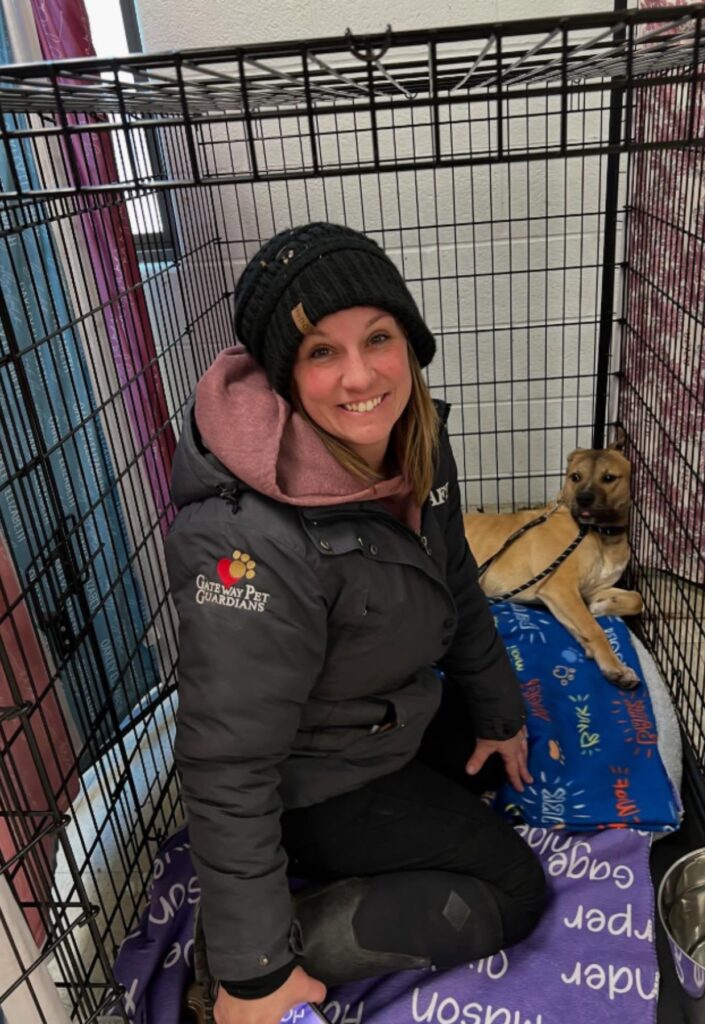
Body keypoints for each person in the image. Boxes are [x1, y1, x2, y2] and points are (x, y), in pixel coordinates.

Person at [165, 222, 548, 1024]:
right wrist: (255, 972)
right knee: (511, 890)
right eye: (321, 352)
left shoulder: (414, 444)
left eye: (379, 338)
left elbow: (456, 583)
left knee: (496, 767)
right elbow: (226, 765)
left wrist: (499, 716)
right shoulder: (247, 542)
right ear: (283, 372)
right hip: (306, 781)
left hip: (379, 713)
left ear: (409, 341)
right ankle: (251, 954)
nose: (361, 375)